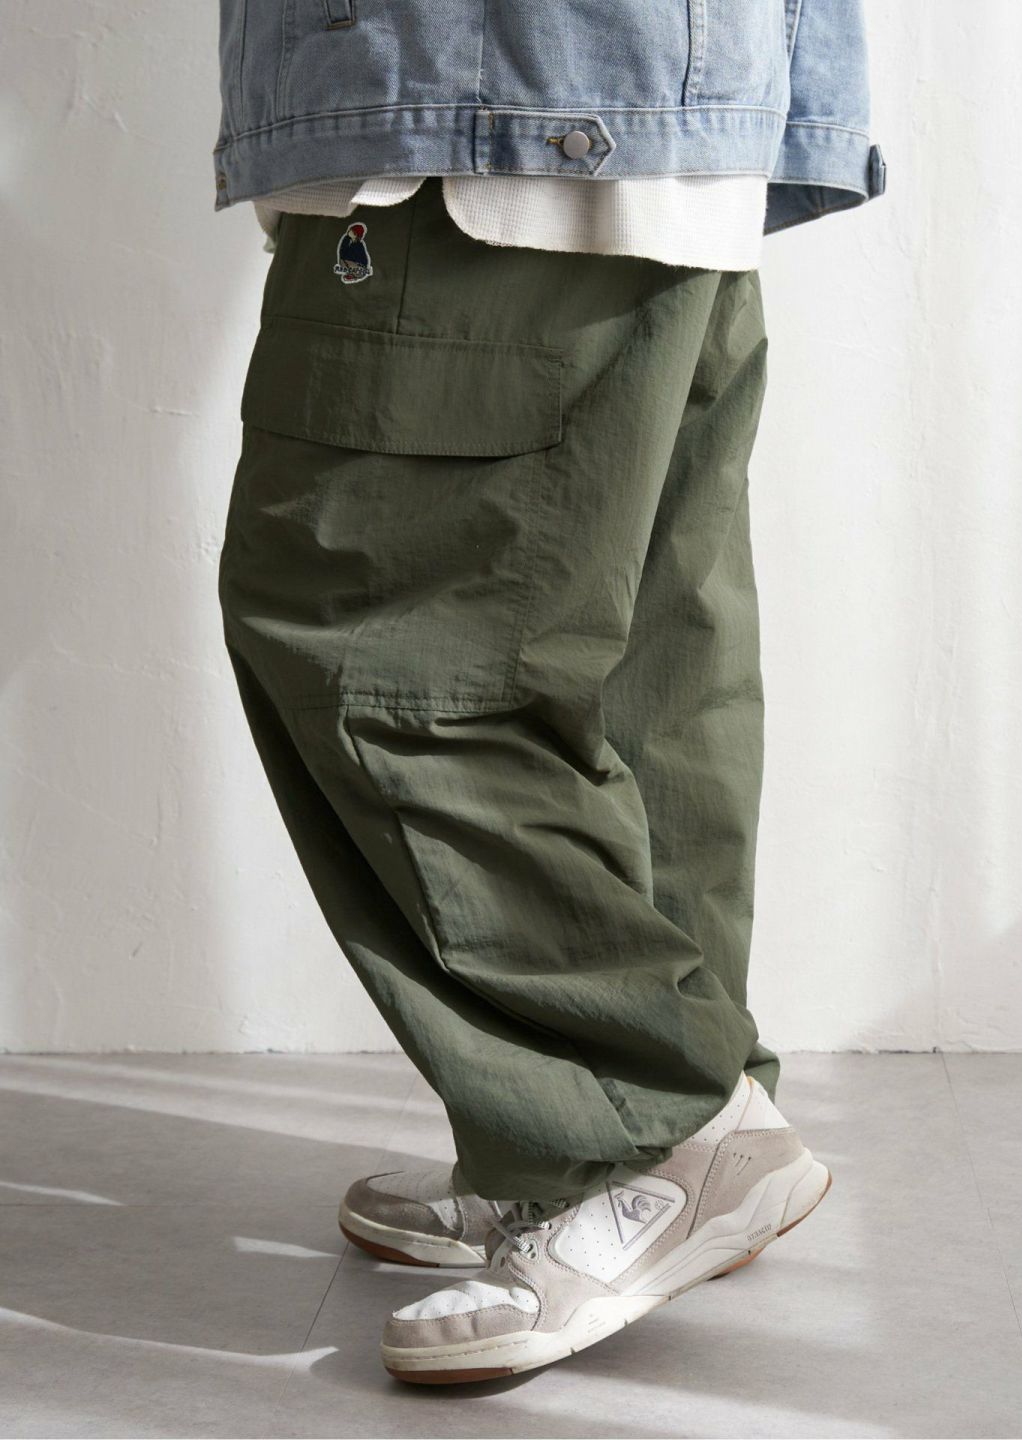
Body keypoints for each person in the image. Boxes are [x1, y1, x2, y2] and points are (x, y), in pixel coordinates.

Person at [214, 0, 883, 1385]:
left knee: (377, 641)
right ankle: (629, 1149)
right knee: (636, 667)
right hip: (659, 112)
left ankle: (641, 1129)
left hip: (485, 103)